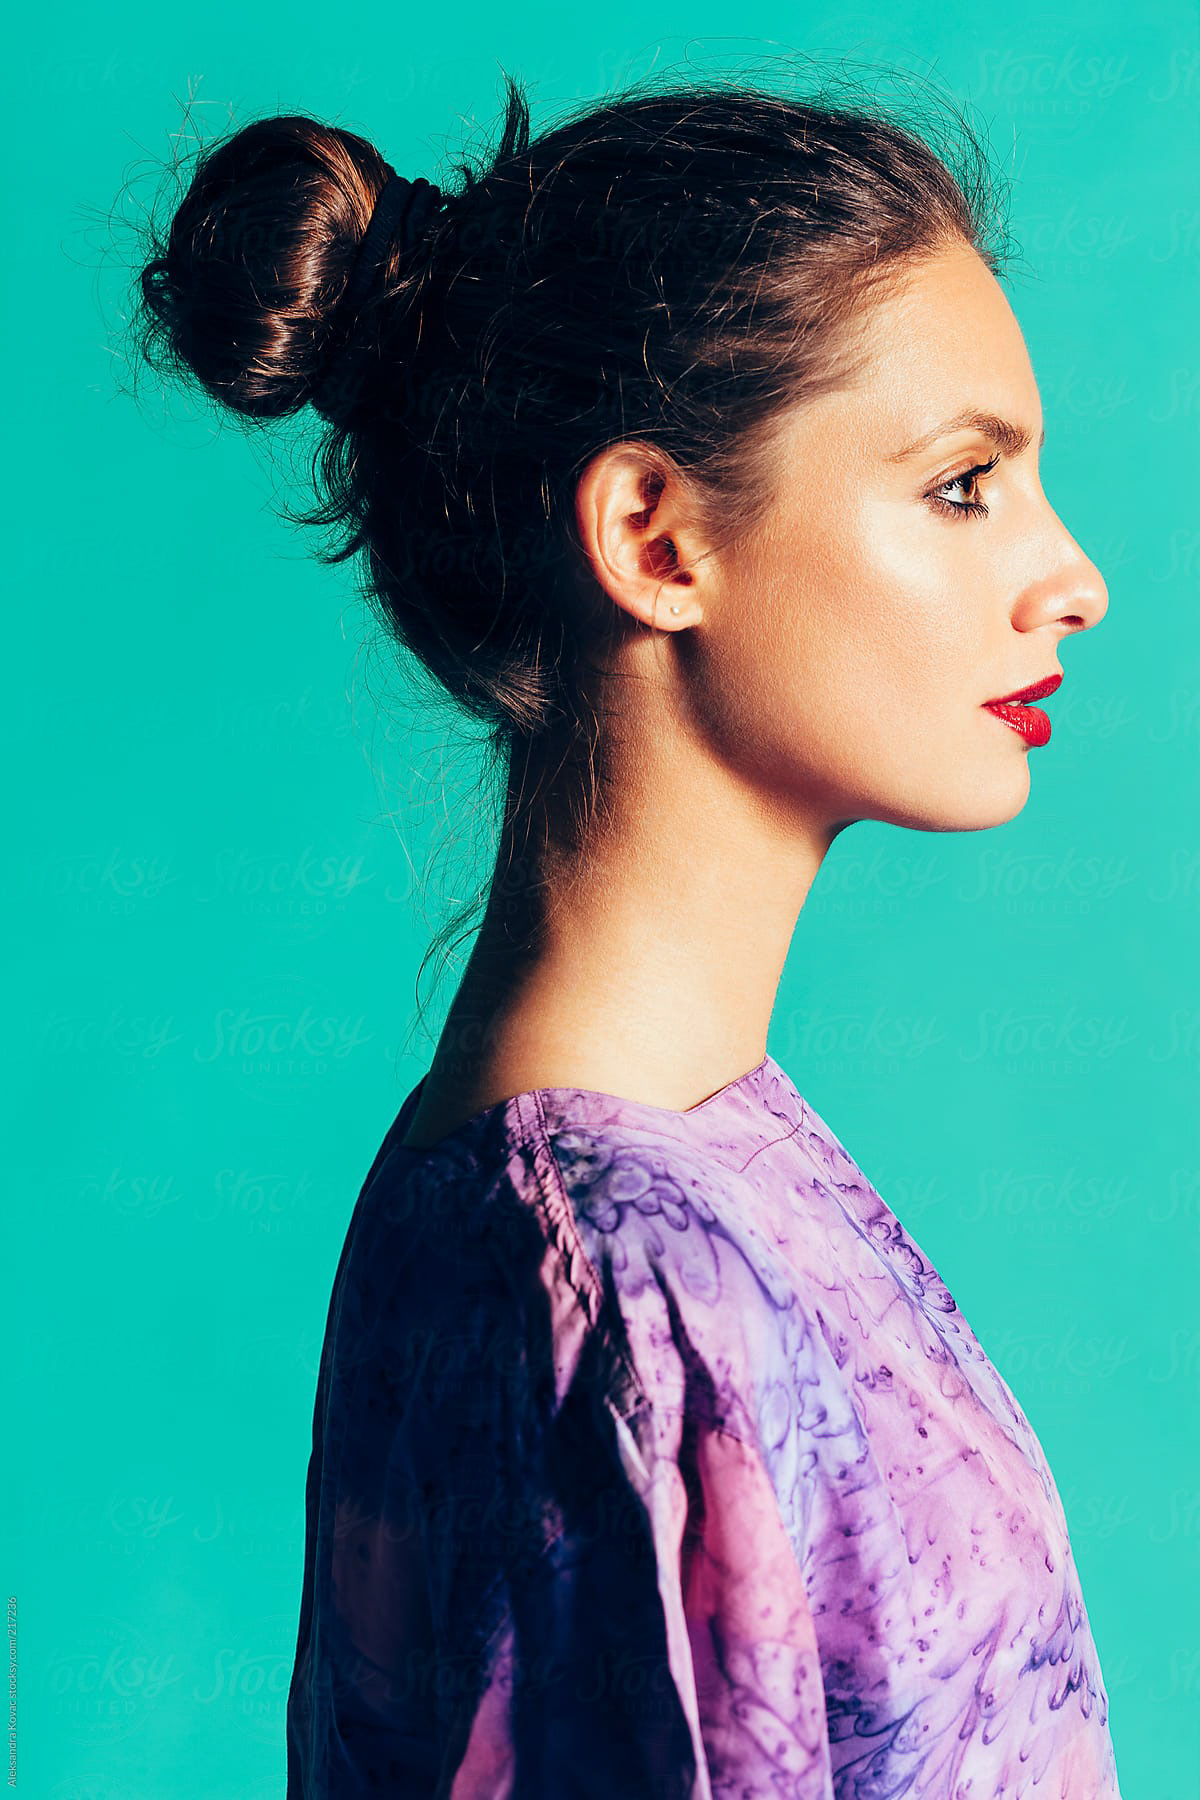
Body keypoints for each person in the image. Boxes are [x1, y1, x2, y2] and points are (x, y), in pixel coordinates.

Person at [131, 68, 1120, 1798]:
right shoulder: (615, 1286)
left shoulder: (674, 1180)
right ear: (656, 537)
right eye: (966, 485)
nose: (1074, 580)